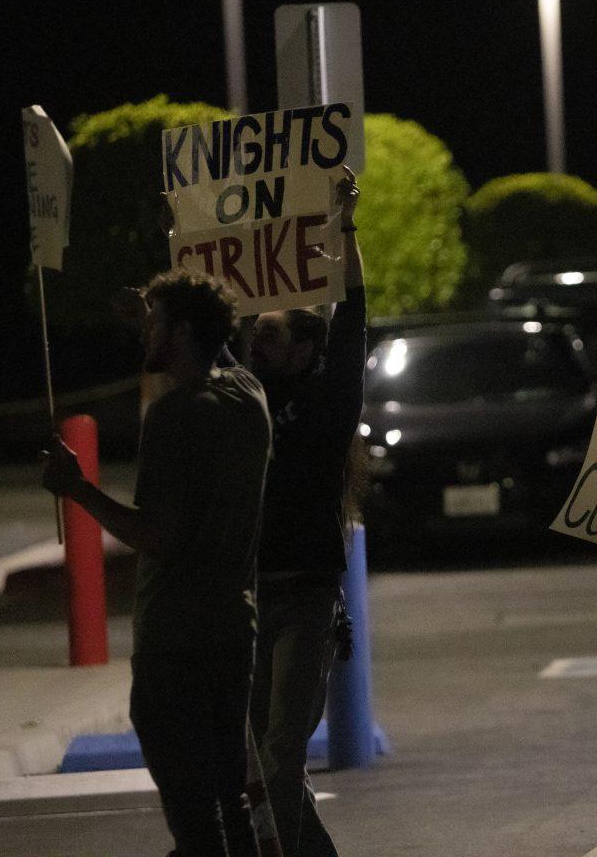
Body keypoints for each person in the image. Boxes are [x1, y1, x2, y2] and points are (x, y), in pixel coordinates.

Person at [43, 270, 271, 857]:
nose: (144, 332)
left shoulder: (175, 416)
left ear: (183, 331)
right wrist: (158, 310)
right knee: (231, 799)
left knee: (194, 818)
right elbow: (217, 343)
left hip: (177, 639)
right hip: (232, 628)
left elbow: (156, 535)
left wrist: (78, 489)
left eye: (154, 324)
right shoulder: (250, 396)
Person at [243, 169, 366, 857]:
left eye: (268, 336)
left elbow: (354, 317)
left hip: (308, 597)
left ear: (305, 348)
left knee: (284, 743)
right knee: (259, 752)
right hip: (254, 594)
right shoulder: (245, 398)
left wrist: (345, 225)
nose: (254, 347)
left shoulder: (329, 402)